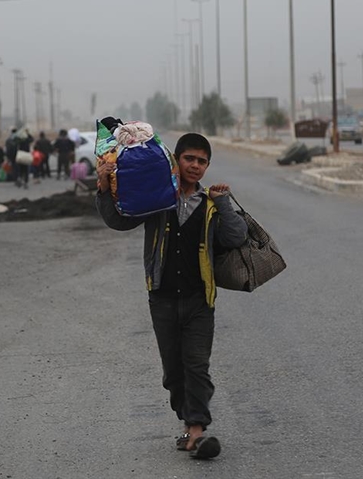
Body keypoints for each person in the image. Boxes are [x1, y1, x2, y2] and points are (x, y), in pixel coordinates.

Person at [95, 133, 248, 460]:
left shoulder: (210, 205)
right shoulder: (158, 197)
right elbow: (119, 221)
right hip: (162, 298)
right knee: (174, 372)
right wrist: (104, 189)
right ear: (176, 160)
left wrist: (223, 201)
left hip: (199, 301)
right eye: (189, 159)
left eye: (202, 161)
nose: (195, 166)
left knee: (196, 365)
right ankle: (188, 422)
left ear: (207, 166)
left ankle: (197, 431)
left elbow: (235, 237)